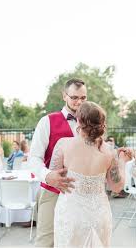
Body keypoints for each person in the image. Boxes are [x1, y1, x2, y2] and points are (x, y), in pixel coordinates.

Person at [51, 101, 133, 247]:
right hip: (99, 215)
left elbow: (55, 179)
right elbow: (116, 187)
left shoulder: (63, 145)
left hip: (71, 213)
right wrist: (122, 161)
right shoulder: (109, 151)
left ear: (78, 120)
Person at [28, 78, 87, 247]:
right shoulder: (47, 121)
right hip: (52, 192)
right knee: (46, 242)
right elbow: (33, 158)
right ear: (64, 96)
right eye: (74, 97)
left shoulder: (90, 123)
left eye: (83, 98)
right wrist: (48, 176)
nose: (79, 102)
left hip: (82, 194)